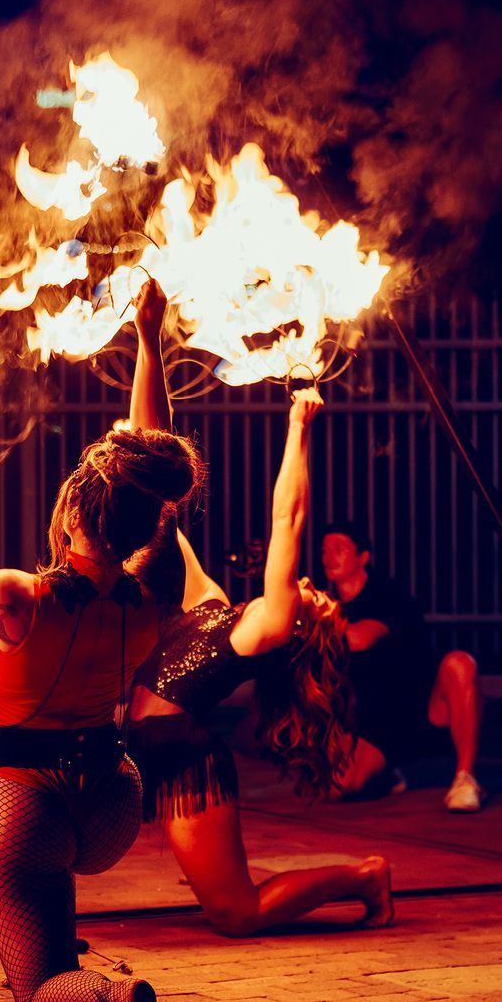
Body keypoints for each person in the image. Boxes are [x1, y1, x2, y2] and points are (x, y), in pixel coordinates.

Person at [0, 279, 194, 1002]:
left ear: (73, 515)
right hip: (112, 804)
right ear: (148, 522)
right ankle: (73, 946)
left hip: (23, 803)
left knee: (43, 1001)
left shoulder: (20, 597)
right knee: (54, 891)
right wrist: (148, 339)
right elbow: (154, 461)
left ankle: (116, 995)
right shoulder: (157, 590)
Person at [124, 385, 393, 937]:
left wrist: (299, 427)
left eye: (315, 602)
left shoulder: (264, 629)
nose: (312, 587)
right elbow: (158, 482)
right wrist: (149, 338)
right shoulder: (211, 602)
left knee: (236, 913)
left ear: (295, 627)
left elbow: (287, 518)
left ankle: (365, 876)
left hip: (182, 764)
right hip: (132, 749)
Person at [319, 522, 485, 812]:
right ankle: (385, 775)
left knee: (459, 663)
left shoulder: (386, 594)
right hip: (379, 722)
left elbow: (361, 638)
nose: (329, 557)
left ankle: (466, 778)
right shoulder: (330, 606)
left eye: (339, 549)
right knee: (336, 786)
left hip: (425, 711)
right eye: (324, 550)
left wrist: (307, 624)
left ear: (363, 557)